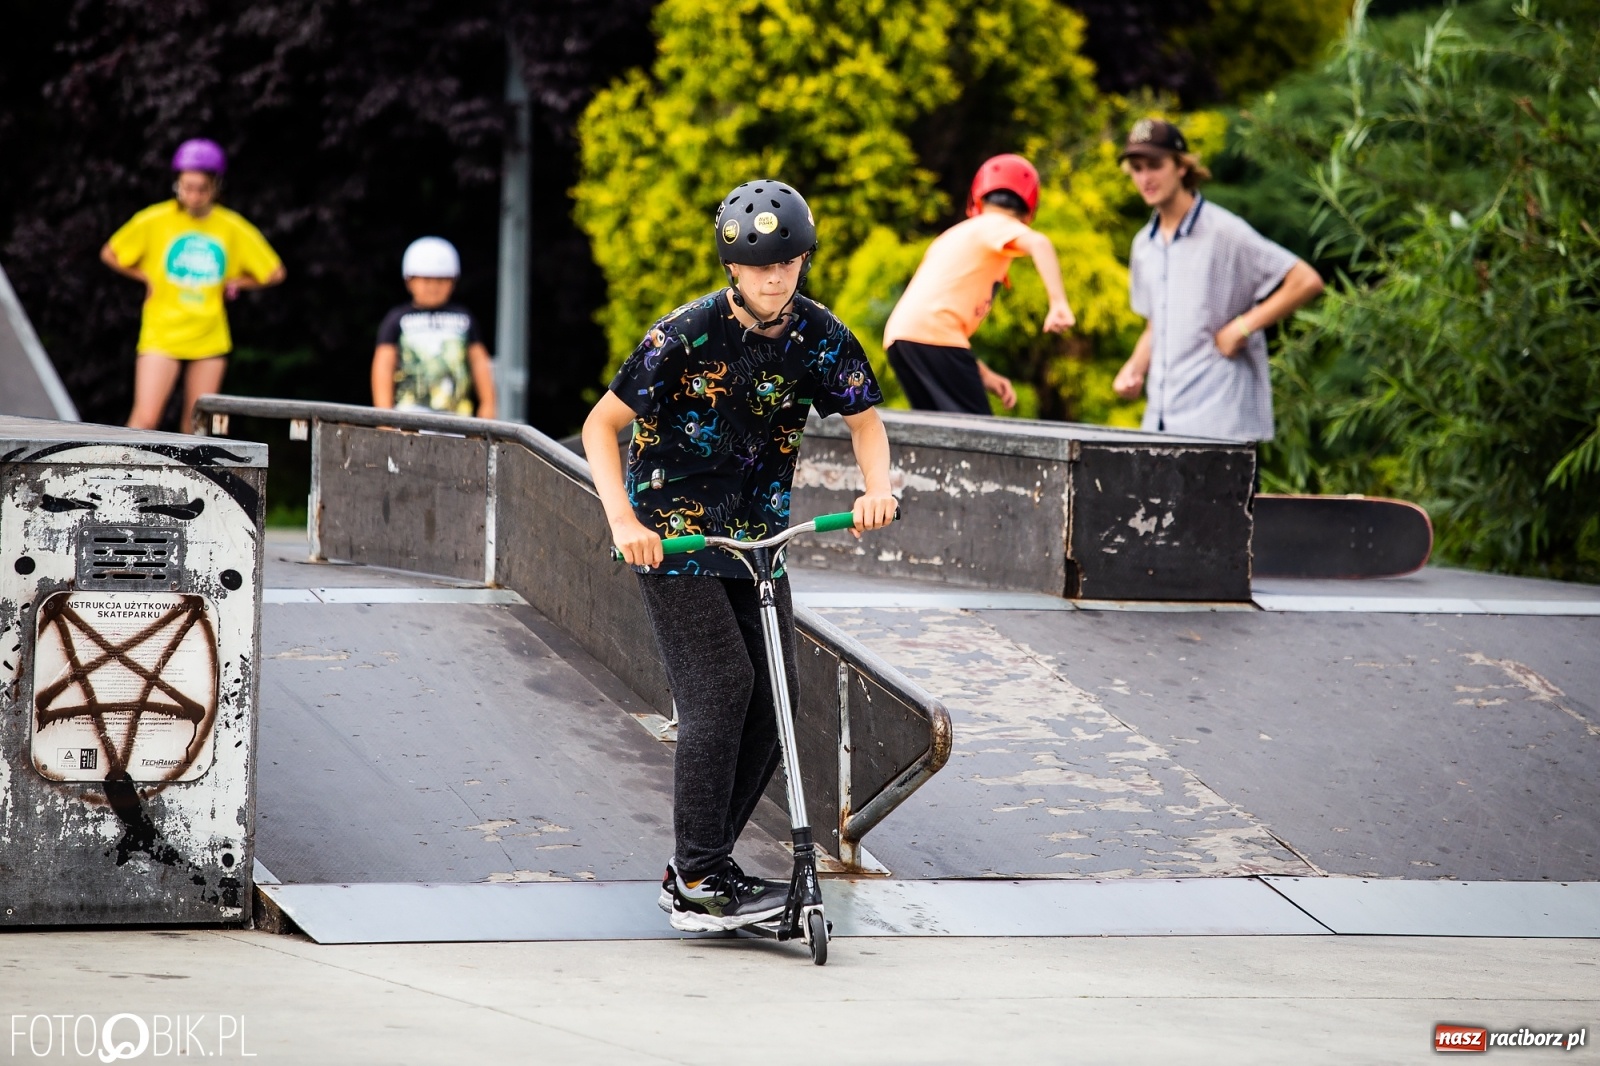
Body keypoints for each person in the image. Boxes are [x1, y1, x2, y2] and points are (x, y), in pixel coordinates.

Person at [581, 179, 896, 932]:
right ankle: (696, 872)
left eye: (787, 263)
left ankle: (703, 865)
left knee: (778, 699)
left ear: (804, 261)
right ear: (733, 270)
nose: (774, 277)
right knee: (722, 685)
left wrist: (876, 490)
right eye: (759, 267)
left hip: (759, 543)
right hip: (675, 537)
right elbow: (601, 426)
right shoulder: (682, 336)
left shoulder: (821, 336)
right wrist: (624, 521)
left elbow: (865, 422)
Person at [1112, 118, 1324, 444]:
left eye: (1154, 165)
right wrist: (1134, 368)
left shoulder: (1225, 232)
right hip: (1159, 426)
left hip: (1219, 424)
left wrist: (1242, 327)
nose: (1145, 177)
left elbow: (1305, 280)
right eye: (1137, 168)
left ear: (1181, 167)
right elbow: (1157, 326)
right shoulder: (1144, 245)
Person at [101, 139, 286, 432]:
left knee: (196, 426)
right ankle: (116, 476)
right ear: (177, 183)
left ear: (215, 186)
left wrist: (238, 281)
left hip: (208, 334)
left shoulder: (231, 226)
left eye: (201, 188)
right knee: (145, 419)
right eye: (187, 187)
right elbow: (110, 252)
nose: (194, 195)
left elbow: (275, 272)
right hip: (162, 331)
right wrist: (145, 277)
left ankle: (187, 479)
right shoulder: (155, 219)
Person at [881, 154, 1075, 414]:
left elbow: (937, 316)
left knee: (941, 436)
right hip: (934, 336)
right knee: (980, 438)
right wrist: (1058, 303)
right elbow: (1040, 243)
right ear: (1029, 210)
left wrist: (981, 374)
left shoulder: (957, 234)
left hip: (901, 339)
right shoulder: (997, 225)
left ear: (978, 199)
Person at [371, 237, 497, 418]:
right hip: (407, 420)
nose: (433, 287)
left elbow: (479, 363)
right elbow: (383, 365)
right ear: (409, 280)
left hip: (458, 422)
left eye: (441, 280)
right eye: (425, 280)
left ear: (453, 281)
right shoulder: (397, 319)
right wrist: (384, 417)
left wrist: (488, 408)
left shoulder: (464, 319)